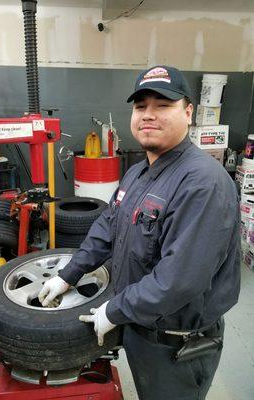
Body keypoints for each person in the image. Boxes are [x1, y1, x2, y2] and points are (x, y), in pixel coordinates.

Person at [38, 65, 240, 400]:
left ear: (188, 112)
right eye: (140, 106)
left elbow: (179, 280)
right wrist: (67, 275)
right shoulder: (137, 173)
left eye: (163, 105)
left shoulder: (203, 183)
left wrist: (113, 311)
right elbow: (107, 229)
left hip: (175, 345)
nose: (148, 115)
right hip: (139, 325)